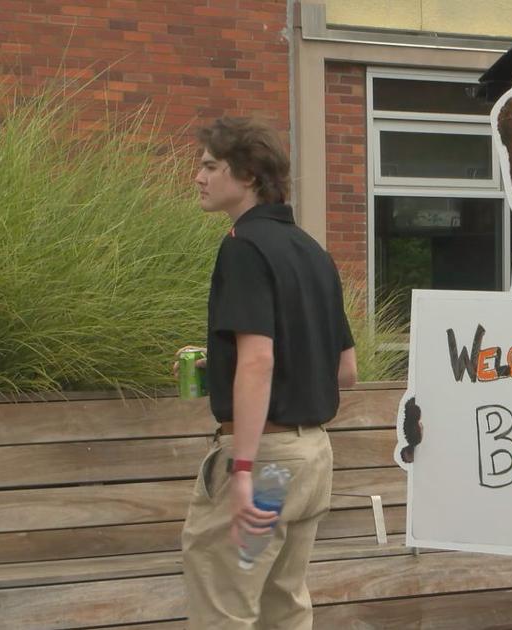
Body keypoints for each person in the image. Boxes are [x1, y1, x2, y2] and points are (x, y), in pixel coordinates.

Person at [176, 116, 357, 629]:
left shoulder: (243, 247)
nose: (198, 176)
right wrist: (224, 366)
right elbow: (345, 370)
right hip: (309, 460)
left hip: (265, 463)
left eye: (211, 166)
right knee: (284, 607)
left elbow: (259, 360)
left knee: (224, 610)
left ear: (248, 175)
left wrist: (242, 472)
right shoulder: (313, 253)